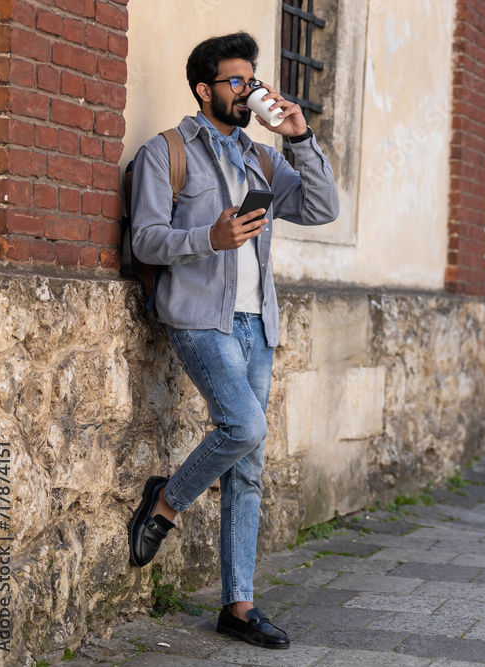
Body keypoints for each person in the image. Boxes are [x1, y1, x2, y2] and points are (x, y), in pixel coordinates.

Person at [126, 31, 338, 650]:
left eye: (253, 82)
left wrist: (298, 135)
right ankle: (166, 502)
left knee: (249, 466)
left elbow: (323, 208)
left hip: (257, 324)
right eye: (237, 82)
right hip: (198, 318)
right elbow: (144, 239)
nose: (249, 92)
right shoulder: (165, 152)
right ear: (205, 89)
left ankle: (237, 606)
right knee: (243, 427)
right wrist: (207, 239)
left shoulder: (262, 158)